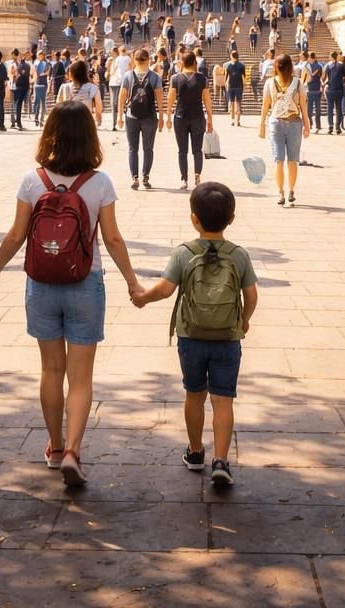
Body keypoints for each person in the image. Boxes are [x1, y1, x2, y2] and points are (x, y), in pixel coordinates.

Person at [0, 101, 139, 488]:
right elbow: (113, 238)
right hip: (86, 282)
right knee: (81, 376)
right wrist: (133, 282)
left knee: (51, 370)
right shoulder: (99, 183)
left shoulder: (33, 180)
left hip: (42, 283)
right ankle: (73, 449)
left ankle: (53, 447)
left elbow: (17, 235)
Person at [131, 181, 258, 489]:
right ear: (232, 218)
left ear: (193, 218)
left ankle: (196, 452)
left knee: (194, 394)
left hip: (191, 338)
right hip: (227, 340)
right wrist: (244, 320)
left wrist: (143, 297)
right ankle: (221, 461)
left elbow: (165, 289)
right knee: (223, 401)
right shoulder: (239, 255)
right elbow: (251, 295)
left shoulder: (184, 253)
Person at [258, 52, 310, 207]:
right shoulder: (273, 83)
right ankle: (285, 191)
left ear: (276, 67)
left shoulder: (297, 83)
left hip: (284, 123)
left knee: (286, 161)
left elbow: (266, 105)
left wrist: (262, 124)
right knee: (283, 160)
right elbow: (266, 104)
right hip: (286, 122)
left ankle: (286, 191)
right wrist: (261, 124)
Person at [166, 49, 214, 192]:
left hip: (180, 117)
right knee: (197, 150)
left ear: (181, 62)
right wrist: (210, 119)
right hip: (198, 117)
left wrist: (168, 116)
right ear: (195, 62)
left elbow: (170, 99)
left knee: (182, 151)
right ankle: (197, 175)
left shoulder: (175, 78)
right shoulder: (202, 80)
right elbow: (207, 101)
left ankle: (184, 178)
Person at [117, 47, 164, 189]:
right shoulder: (155, 77)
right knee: (148, 148)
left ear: (134, 60)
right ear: (148, 60)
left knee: (132, 148)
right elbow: (159, 99)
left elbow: (122, 96)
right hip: (150, 116)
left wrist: (119, 115)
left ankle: (134, 177)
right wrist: (161, 116)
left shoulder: (128, 76)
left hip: (132, 115)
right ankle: (146, 176)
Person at [57, 58, 103, 125]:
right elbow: (98, 108)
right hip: (86, 122)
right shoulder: (93, 88)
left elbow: (58, 107)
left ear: (72, 73)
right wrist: (98, 120)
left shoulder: (64, 88)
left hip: (67, 123)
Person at [324, 49, 345, 134]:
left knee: (329, 108)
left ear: (331, 57)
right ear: (337, 56)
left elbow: (324, 76)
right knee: (339, 109)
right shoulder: (342, 65)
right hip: (339, 89)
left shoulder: (328, 65)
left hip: (330, 89)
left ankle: (330, 126)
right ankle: (338, 127)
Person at [303, 49, 324, 133]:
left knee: (309, 109)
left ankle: (310, 124)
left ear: (309, 58)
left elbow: (304, 79)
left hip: (309, 89)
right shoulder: (320, 66)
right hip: (317, 89)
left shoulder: (306, 67)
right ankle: (318, 126)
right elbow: (322, 78)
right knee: (317, 108)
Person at [224, 50, 246, 127]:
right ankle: (237, 121)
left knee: (233, 104)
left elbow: (226, 77)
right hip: (238, 86)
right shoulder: (241, 65)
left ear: (232, 56)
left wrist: (226, 85)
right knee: (236, 103)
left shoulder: (229, 65)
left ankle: (234, 120)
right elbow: (244, 77)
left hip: (232, 86)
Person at [13, 51, 32, 130]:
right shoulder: (27, 65)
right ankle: (18, 122)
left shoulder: (19, 66)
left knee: (18, 104)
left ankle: (17, 121)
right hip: (24, 86)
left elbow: (19, 75)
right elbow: (26, 74)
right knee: (19, 104)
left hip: (19, 86)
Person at [33, 50, 50, 126]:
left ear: (43, 56)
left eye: (41, 55)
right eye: (39, 55)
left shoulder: (46, 63)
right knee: (37, 101)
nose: (40, 57)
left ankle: (41, 120)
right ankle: (36, 118)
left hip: (43, 84)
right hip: (37, 83)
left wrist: (41, 73)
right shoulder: (35, 63)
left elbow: (47, 73)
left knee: (43, 102)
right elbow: (35, 73)